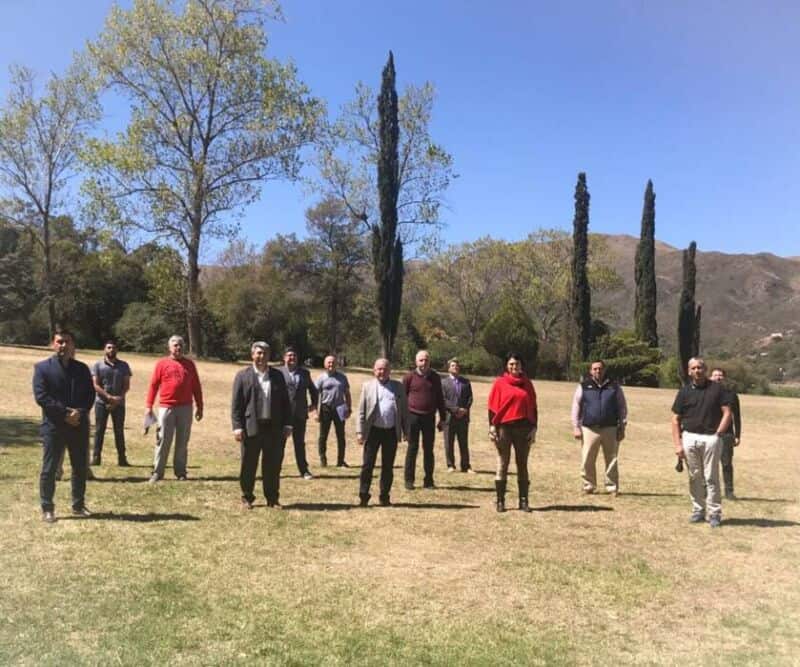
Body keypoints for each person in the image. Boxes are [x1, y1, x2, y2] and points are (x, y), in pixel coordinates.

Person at [32, 328, 95, 522]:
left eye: (67, 341)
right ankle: (47, 508)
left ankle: (78, 505)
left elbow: (90, 395)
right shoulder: (42, 368)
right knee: (50, 468)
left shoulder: (82, 369)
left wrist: (80, 412)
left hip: (78, 425)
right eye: (59, 342)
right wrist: (65, 413)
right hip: (54, 426)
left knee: (79, 467)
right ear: (53, 344)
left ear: (73, 345)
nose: (63, 345)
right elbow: (42, 397)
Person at [671, 357, 732, 528]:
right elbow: (675, 419)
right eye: (694, 368)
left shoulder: (717, 389)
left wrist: (718, 434)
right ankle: (698, 510)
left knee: (711, 477)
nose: (697, 371)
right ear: (689, 371)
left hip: (711, 438)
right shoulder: (684, 392)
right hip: (689, 437)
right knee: (694, 476)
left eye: (700, 367)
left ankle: (714, 513)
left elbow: (727, 412)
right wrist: (678, 444)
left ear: (705, 369)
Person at [231, 341, 292, 509]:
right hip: (251, 427)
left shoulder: (277, 376)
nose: (261, 356)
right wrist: (237, 427)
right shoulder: (242, 376)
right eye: (258, 353)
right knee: (248, 464)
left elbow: (286, 403)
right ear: (252, 355)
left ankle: (272, 498)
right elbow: (236, 405)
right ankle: (247, 497)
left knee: (272, 465)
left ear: (269, 356)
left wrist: (288, 424)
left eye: (264, 353)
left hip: (273, 428)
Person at [145, 335, 203, 483]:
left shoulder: (189, 365)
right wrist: (148, 406)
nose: (178, 348)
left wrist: (200, 406)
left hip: (185, 408)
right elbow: (153, 386)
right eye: (175, 345)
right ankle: (158, 472)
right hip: (166, 407)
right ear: (169, 347)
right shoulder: (162, 364)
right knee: (163, 440)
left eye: (180, 345)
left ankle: (181, 472)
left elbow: (196, 386)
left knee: (182, 441)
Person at [487, 353, 538, 513]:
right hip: (504, 428)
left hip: (523, 428)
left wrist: (534, 427)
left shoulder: (527, 384)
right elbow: (492, 407)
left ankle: (524, 501)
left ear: (522, 366)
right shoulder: (500, 383)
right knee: (503, 463)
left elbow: (534, 407)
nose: (514, 367)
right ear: (506, 366)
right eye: (511, 364)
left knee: (522, 464)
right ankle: (500, 501)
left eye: (517, 364)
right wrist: (492, 427)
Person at [356, 358, 409, 507]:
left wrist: (406, 431)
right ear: (374, 370)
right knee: (367, 465)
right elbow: (361, 411)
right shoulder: (367, 386)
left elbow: (404, 411)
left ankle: (384, 496)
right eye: (379, 369)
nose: (382, 372)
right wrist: (360, 432)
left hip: (391, 432)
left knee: (388, 466)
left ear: (389, 371)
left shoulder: (398, 387)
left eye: (385, 369)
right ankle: (364, 496)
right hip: (373, 431)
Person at [571, 359, 628, 495]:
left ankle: (612, 486)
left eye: (600, 368)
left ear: (604, 370)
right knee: (587, 458)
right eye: (595, 369)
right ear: (591, 371)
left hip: (611, 428)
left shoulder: (614, 387)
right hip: (589, 428)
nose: (598, 371)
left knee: (612, 459)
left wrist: (622, 426)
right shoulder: (584, 386)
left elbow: (622, 407)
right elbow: (576, 407)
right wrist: (576, 426)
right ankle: (588, 485)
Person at [403, 350, 447, 489]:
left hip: (429, 417)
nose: (424, 363)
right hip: (413, 417)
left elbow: (440, 398)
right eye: (421, 360)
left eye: (426, 360)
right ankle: (409, 480)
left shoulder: (435, 377)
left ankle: (428, 480)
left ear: (429, 361)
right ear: (416, 362)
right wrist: (403, 421)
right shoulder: (409, 377)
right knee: (412, 448)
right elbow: (402, 399)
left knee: (429, 449)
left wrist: (443, 418)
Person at [279, 346, 318, 480]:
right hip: (282, 416)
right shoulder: (277, 372)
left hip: (300, 415)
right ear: (284, 358)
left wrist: (313, 404)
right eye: (289, 355)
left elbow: (313, 390)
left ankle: (304, 470)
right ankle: (275, 470)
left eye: (294, 356)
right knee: (279, 444)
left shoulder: (304, 373)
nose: (292, 358)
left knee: (299, 444)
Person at [91, 339, 132, 467]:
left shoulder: (124, 366)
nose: (111, 350)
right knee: (99, 430)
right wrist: (108, 397)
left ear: (117, 350)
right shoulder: (98, 365)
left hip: (119, 404)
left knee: (119, 431)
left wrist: (119, 398)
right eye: (109, 347)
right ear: (104, 349)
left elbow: (126, 385)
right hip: (101, 403)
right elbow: (95, 385)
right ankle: (96, 458)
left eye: (113, 348)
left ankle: (122, 459)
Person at [710, 367, 742, 500]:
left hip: (727, 434)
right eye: (715, 375)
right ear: (711, 377)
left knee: (727, 463)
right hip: (709, 433)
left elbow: (737, 416)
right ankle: (708, 490)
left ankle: (729, 491)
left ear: (724, 378)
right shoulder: (706, 393)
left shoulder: (731, 395)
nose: (718, 377)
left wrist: (738, 434)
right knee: (709, 464)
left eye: (720, 375)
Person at [314, 355, 352, 467]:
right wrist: (317, 412)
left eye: (333, 362)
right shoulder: (321, 378)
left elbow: (347, 394)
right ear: (325, 364)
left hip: (340, 408)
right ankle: (323, 459)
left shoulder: (342, 377)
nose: (331, 365)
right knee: (323, 435)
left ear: (336, 364)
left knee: (341, 436)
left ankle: (340, 461)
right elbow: (316, 396)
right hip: (326, 408)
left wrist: (349, 408)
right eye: (329, 362)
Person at [441, 358, 474, 473]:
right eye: (453, 365)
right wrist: (455, 410)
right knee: (449, 442)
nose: (455, 367)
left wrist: (464, 410)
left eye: (457, 366)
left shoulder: (466, 382)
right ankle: (450, 465)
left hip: (463, 417)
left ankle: (465, 466)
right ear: (449, 368)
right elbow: (443, 400)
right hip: (449, 417)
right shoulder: (443, 383)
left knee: (463, 442)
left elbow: (470, 398)